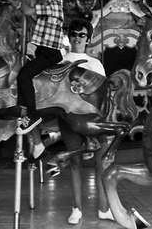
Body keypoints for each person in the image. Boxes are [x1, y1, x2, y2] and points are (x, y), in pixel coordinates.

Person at [59, 19, 113, 224]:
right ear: (68, 36)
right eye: (73, 34)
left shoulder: (96, 63)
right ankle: (76, 208)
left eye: (81, 35)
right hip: (69, 117)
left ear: (88, 39)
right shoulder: (60, 63)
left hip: (94, 119)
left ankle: (103, 207)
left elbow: (103, 94)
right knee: (75, 162)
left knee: (102, 163)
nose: (77, 38)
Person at [18, 0, 66, 158]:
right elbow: (35, 21)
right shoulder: (52, 9)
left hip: (49, 53)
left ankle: (33, 114)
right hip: (44, 51)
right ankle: (25, 107)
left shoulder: (53, 5)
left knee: (24, 75)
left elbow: (28, 11)